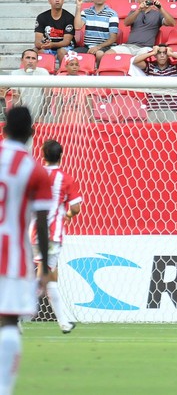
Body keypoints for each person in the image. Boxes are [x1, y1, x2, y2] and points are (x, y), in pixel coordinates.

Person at [0, 107, 52, 395]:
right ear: (32, 133)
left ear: (4, 129)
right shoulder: (34, 169)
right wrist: (43, 264)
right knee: (8, 321)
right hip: (12, 256)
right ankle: (4, 389)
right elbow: (42, 223)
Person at [33, 140, 82, 334]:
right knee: (44, 277)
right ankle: (14, 315)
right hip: (53, 235)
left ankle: (64, 323)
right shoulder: (66, 179)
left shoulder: (33, 176)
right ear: (61, 155)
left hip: (34, 232)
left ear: (42, 154)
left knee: (49, 277)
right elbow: (76, 208)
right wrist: (67, 215)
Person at [108, 0, 177, 56]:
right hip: (128, 46)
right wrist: (139, 10)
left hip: (145, 48)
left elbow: (172, 23)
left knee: (140, 59)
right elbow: (126, 23)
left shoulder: (157, 14)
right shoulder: (133, 12)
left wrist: (160, 8)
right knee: (108, 54)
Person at [133, 44, 177, 123]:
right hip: (153, 108)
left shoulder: (175, 68)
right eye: (159, 53)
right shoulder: (150, 68)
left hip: (171, 108)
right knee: (152, 134)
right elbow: (135, 61)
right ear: (156, 55)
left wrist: (171, 53)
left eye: (165, 53)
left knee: (172, 134)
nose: (162, 55)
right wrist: (152, 52)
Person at [73, 0, 119, 64]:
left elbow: (113, 38)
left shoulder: (112, 14)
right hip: (88, 47)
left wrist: (98, 47)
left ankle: (98, 73)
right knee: (70, 54)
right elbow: (77, 27)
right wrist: (78, 7)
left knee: (99, 53)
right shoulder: (86, 12)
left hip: (105, 47)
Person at [34, 0, 75, 64]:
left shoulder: (69, 17)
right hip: (47, 47)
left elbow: (66, 42)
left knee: (61, 52)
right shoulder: (41, 17)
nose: (57, 0)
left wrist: (52, 45)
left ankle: (62, 73)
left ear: (63, 1)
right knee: (33, 52)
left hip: (65, 47)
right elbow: (37, 42)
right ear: (49, 1)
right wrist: (44, 45)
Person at [9, 49, 51, 123]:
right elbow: (16, 98)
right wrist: (21, 117)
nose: (30, 61)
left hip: (42, 116)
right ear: (22, 60)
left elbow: (47, 96)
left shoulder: (43, 72)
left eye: (33, 58)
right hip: (23, 115)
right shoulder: (15, 74)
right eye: (28, 58)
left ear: (37, 61)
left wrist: (41, 116)